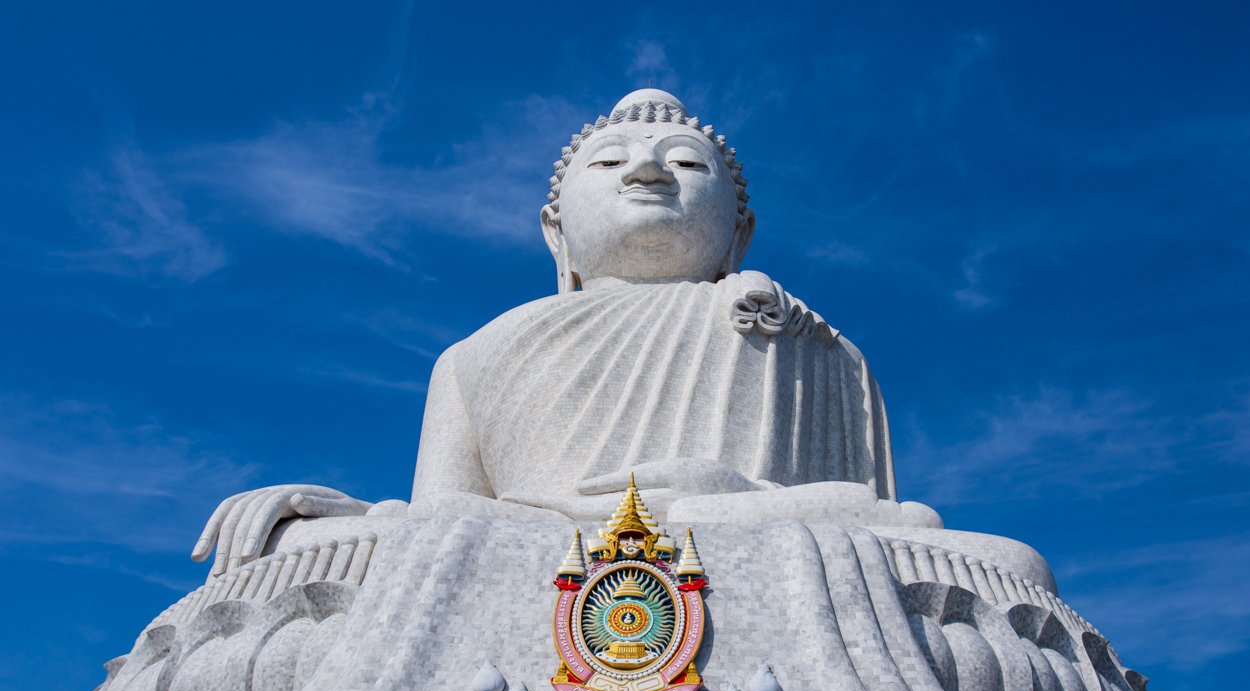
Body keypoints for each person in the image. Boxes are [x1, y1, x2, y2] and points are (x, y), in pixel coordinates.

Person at [191, 89, 936, 577]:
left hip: (741, 543)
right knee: (294, 558)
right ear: (558, 236)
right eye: (610, 161)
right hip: (522, 549)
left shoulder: (811, 345)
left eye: (683, 162)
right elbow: (439, 525)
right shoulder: (473, 356)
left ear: (739, 234)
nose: (646, 168)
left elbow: (896, 532)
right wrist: (362, 517)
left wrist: (730, 500)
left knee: (1009, 564)